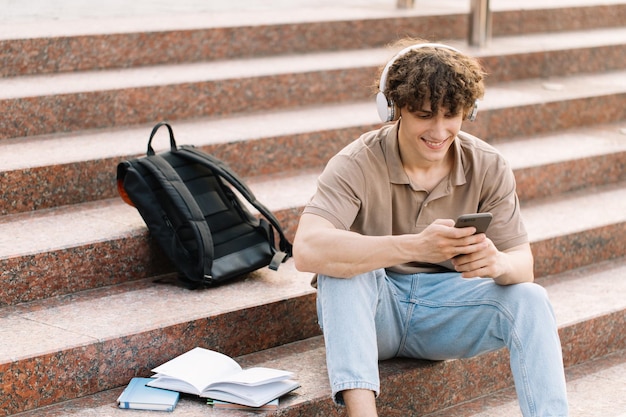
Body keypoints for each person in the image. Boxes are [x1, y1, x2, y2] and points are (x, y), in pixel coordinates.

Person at [292, 38, 569, 417]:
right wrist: (415, 247)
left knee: (532, 299)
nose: (439, 130)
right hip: (373, 316)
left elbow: (524, 265)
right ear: (393, 108)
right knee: (343, 269)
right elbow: (307, 249)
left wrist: (498, 264)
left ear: (467, 112)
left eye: (451, 114)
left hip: (445, 312)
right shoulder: (356, 162)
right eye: (424, 115)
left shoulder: (487, 165)